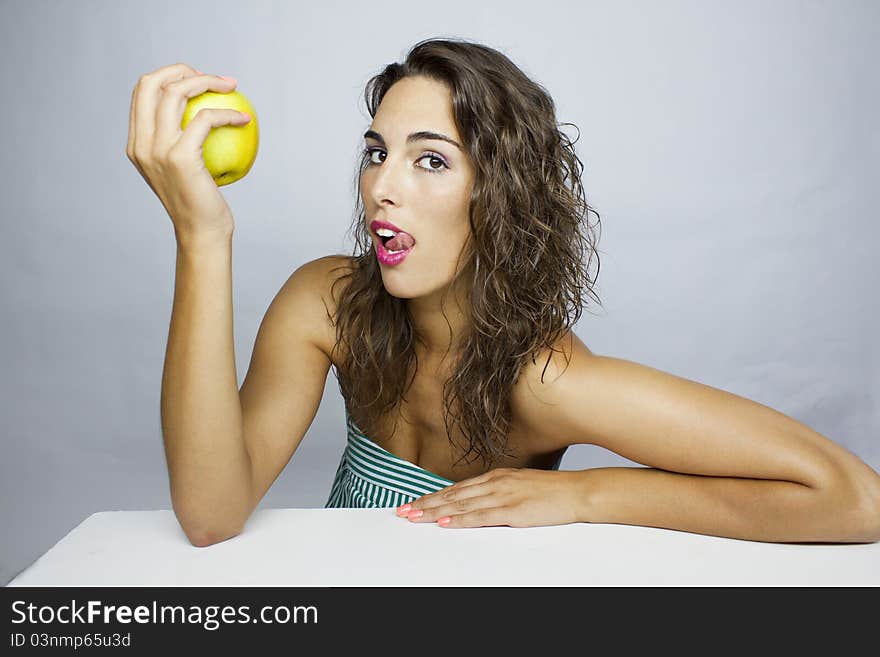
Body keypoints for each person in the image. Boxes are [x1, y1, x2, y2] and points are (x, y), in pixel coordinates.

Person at [127, 37, 880, 547]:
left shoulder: (544, 379)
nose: (382, 188)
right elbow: (211, 512)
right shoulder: (327, 303)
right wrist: (202, 237)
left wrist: (586, 496)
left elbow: (852, 496)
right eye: (377, 152)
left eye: (431, 161)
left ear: (502, 196)